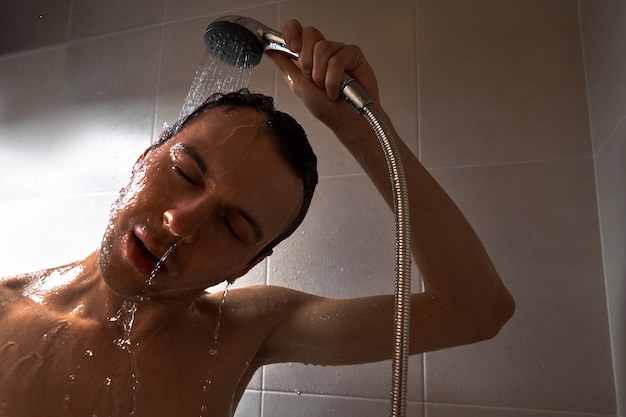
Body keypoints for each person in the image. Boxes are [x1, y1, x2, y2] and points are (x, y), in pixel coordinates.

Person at [0, 20, 514, 417]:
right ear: (144, 158)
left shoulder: (242, 332)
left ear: (247, 265)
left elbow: (474, 310)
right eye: (185, 172)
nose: (180, 223)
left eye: (232, 226)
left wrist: (359, 127)